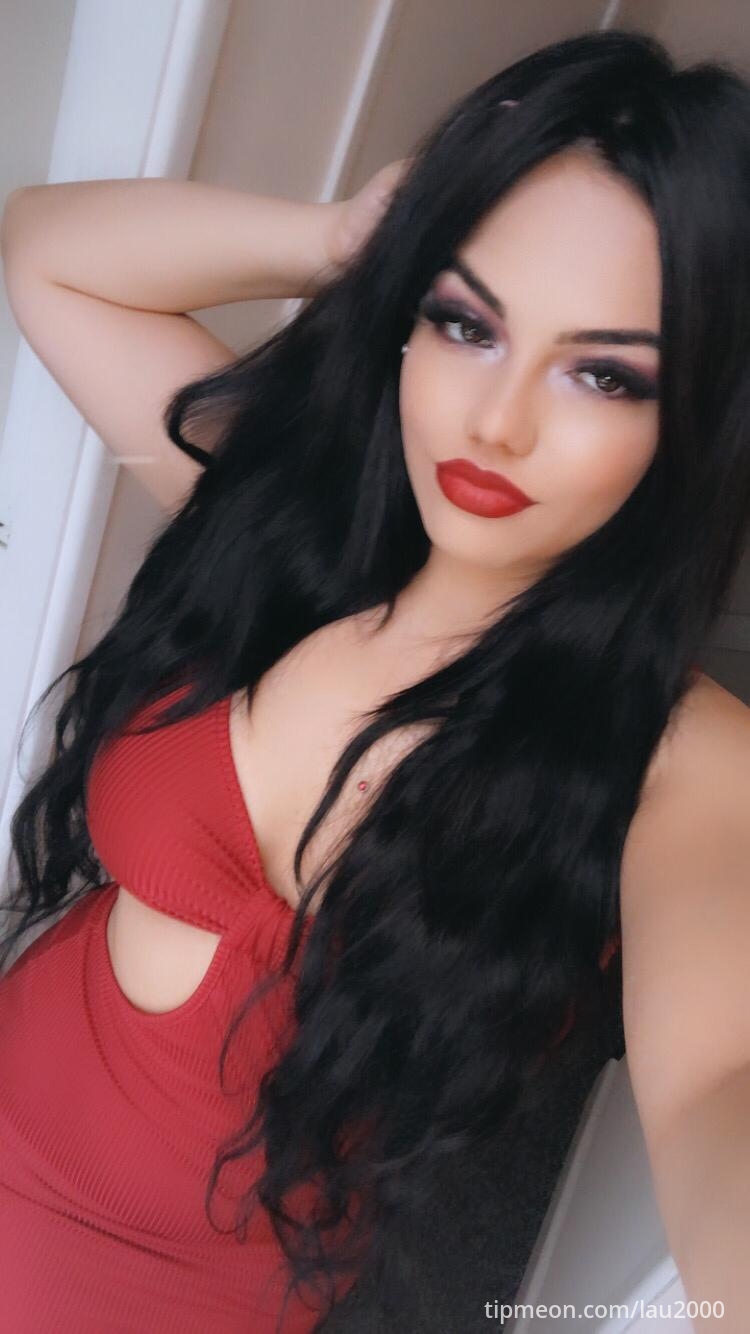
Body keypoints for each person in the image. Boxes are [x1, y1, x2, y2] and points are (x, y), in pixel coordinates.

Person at [1, 26, 749, 1334]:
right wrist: (346, 236)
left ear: (697, 417)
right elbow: (47, 254)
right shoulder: (313, 532)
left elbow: (715, 1087)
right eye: (465, 321)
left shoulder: (681, 760)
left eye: (602, 372)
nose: (495, 421)